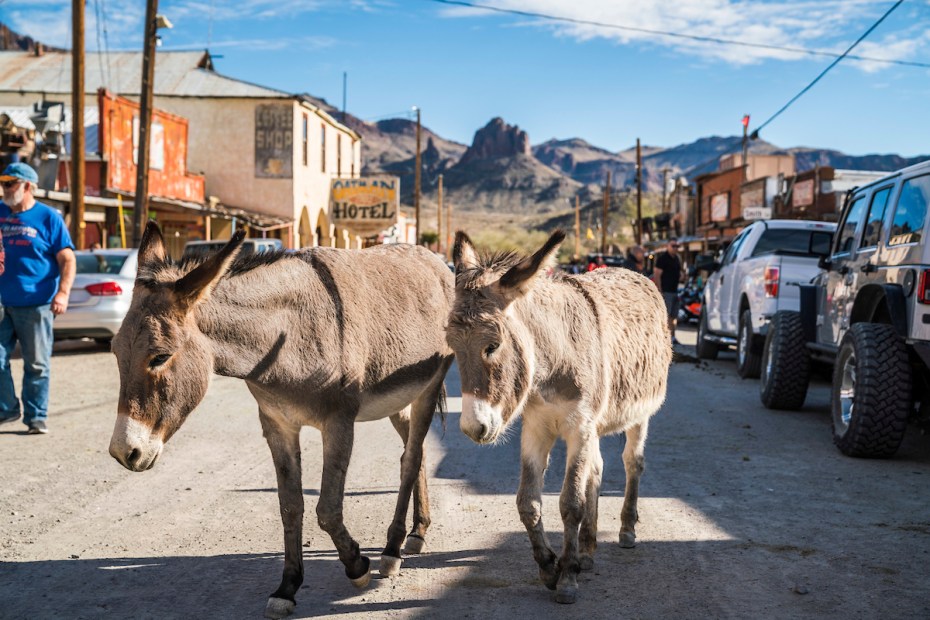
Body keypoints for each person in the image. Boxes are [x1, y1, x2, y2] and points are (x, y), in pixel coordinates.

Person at [0, 162, 75, 434]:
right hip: (0, 302)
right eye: (3, 183)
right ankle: (7, 408)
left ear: (28, 186)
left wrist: (63, 293)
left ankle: (35, 417)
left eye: (10, 183)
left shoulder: (48, 218)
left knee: (37, 364)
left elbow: (67, 259)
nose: (4, 188)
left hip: (37, 303)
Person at [653, 238, 684, 345]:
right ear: (668, 246)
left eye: (677, 246)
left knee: (674, 317)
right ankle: (663, 338)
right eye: (673, 246)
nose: (675, 248)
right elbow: (657, 275)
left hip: (675, 291)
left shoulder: (677, 258)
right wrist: (659, 291)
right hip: (666, 291)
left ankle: (672, 337)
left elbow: (679, 273)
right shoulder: (662, 259)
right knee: (665, 316)